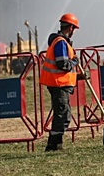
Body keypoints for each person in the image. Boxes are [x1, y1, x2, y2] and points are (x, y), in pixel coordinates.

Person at [39, 13, 81, 152]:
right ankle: (54, 146)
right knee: (62, 115)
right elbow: (62, 64)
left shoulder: (59, 42)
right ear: (70, 28)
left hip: (59, 83)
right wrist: (75, 61)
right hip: (59, 84)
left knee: (63, 114)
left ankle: (55, 144)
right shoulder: (61, 43)